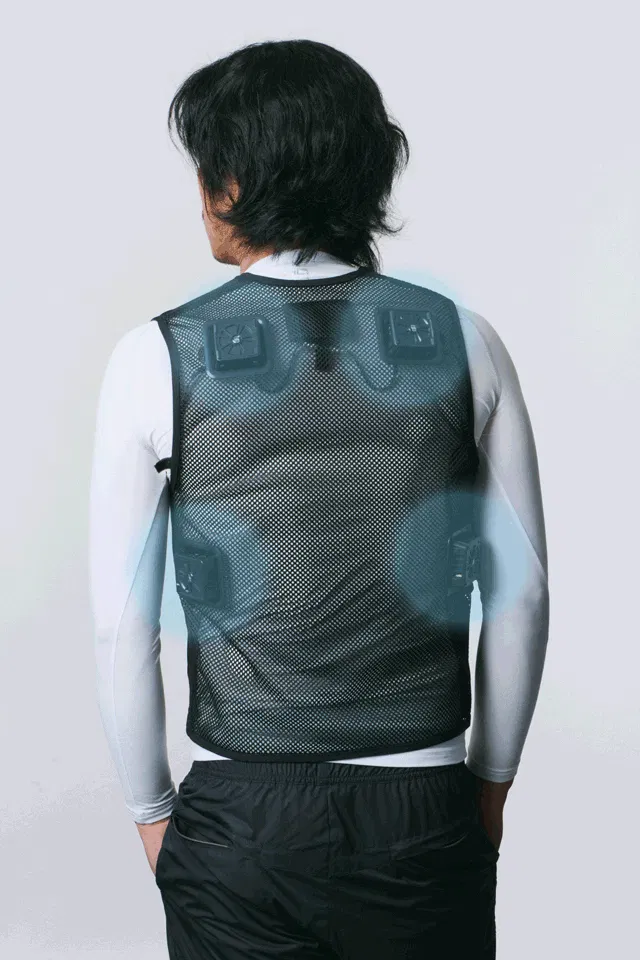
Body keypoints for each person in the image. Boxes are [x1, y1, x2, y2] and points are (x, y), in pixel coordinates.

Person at [89, 38, 549, 959]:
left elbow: (119, 626)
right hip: (423, 807)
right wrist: (489, 788)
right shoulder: (468, 342)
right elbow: (523, 596)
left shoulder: (155, 357)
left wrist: (153, 816)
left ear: (236, 180)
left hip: (242, 817)